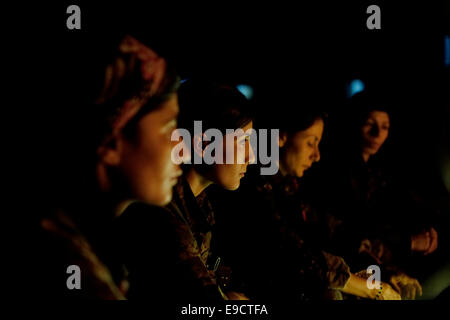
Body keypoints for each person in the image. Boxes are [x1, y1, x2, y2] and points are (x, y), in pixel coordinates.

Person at [35, 34, 181, 299]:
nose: (183, 148)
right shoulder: (71, 268)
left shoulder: (95, 245)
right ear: (111, 142)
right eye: (169, 128)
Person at [210, 106, 401, 300]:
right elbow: (291, 251)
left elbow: (332, 233)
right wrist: (372, 289)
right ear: (282, 137)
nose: (316, 155)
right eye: (311, 143)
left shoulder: (289, 188)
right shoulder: (254, 187)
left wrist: (385, 272)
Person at [114, 79, 255, 300]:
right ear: (203, 143)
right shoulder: (162, 214)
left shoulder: (200, 209)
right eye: (242, 141)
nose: (252, 156)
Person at [308, 90, 447, 299]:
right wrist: (406, 241)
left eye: (384, 127)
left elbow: (401, 204)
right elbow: (349, 230)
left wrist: (426, 229)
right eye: (369, 124)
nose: (377, 134)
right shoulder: (332, 170)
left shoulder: (379, 171)